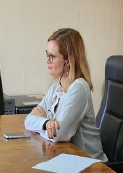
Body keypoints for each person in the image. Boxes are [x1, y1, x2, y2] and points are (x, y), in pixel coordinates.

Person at [24, 28, 106, 161]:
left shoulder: (79, 88)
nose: (47, 61)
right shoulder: (56, 87)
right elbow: (28, 121)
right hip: (68, 159)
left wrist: (43, 122)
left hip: (89, 164)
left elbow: (58, 135)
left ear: (67, 61)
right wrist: (46, 122)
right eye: (47, 55)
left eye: (52, 56)